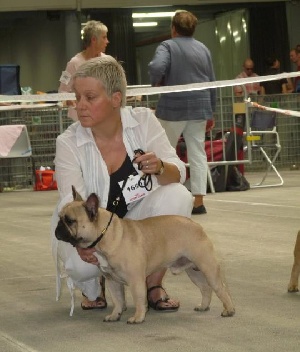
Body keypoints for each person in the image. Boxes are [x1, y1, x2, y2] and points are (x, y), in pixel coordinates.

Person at [51, 55, 193, 314]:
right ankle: (96, 286)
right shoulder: (67, 142)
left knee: (178, 196)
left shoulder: (144, 121)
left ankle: (153, 284)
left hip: (134, 225)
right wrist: (80, 243)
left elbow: (180, 172)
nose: (79, 105)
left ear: (116, 99)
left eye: (89, 97)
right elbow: (68, 202)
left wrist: (161, 167)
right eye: (77, 96)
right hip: (88, 226)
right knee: (82, 268)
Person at [148, 10, 216, 215]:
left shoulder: (168, 45)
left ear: (173, 29)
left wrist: (157, 81)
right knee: (197, 153)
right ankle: (198, 201)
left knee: (163, 151)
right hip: (200, 107)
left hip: (173, 108)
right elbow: (213, 81)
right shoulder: (203, 49)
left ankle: (165, 196)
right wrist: (211, 110)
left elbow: (157, 66)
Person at [58, 20, 109, 121]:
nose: (107, 41)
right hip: (80, 119)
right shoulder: (73, 64)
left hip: (102, 117)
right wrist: (70, 101)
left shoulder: (108, 61)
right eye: (104, 37)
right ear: (94, 40)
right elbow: (62, 90)